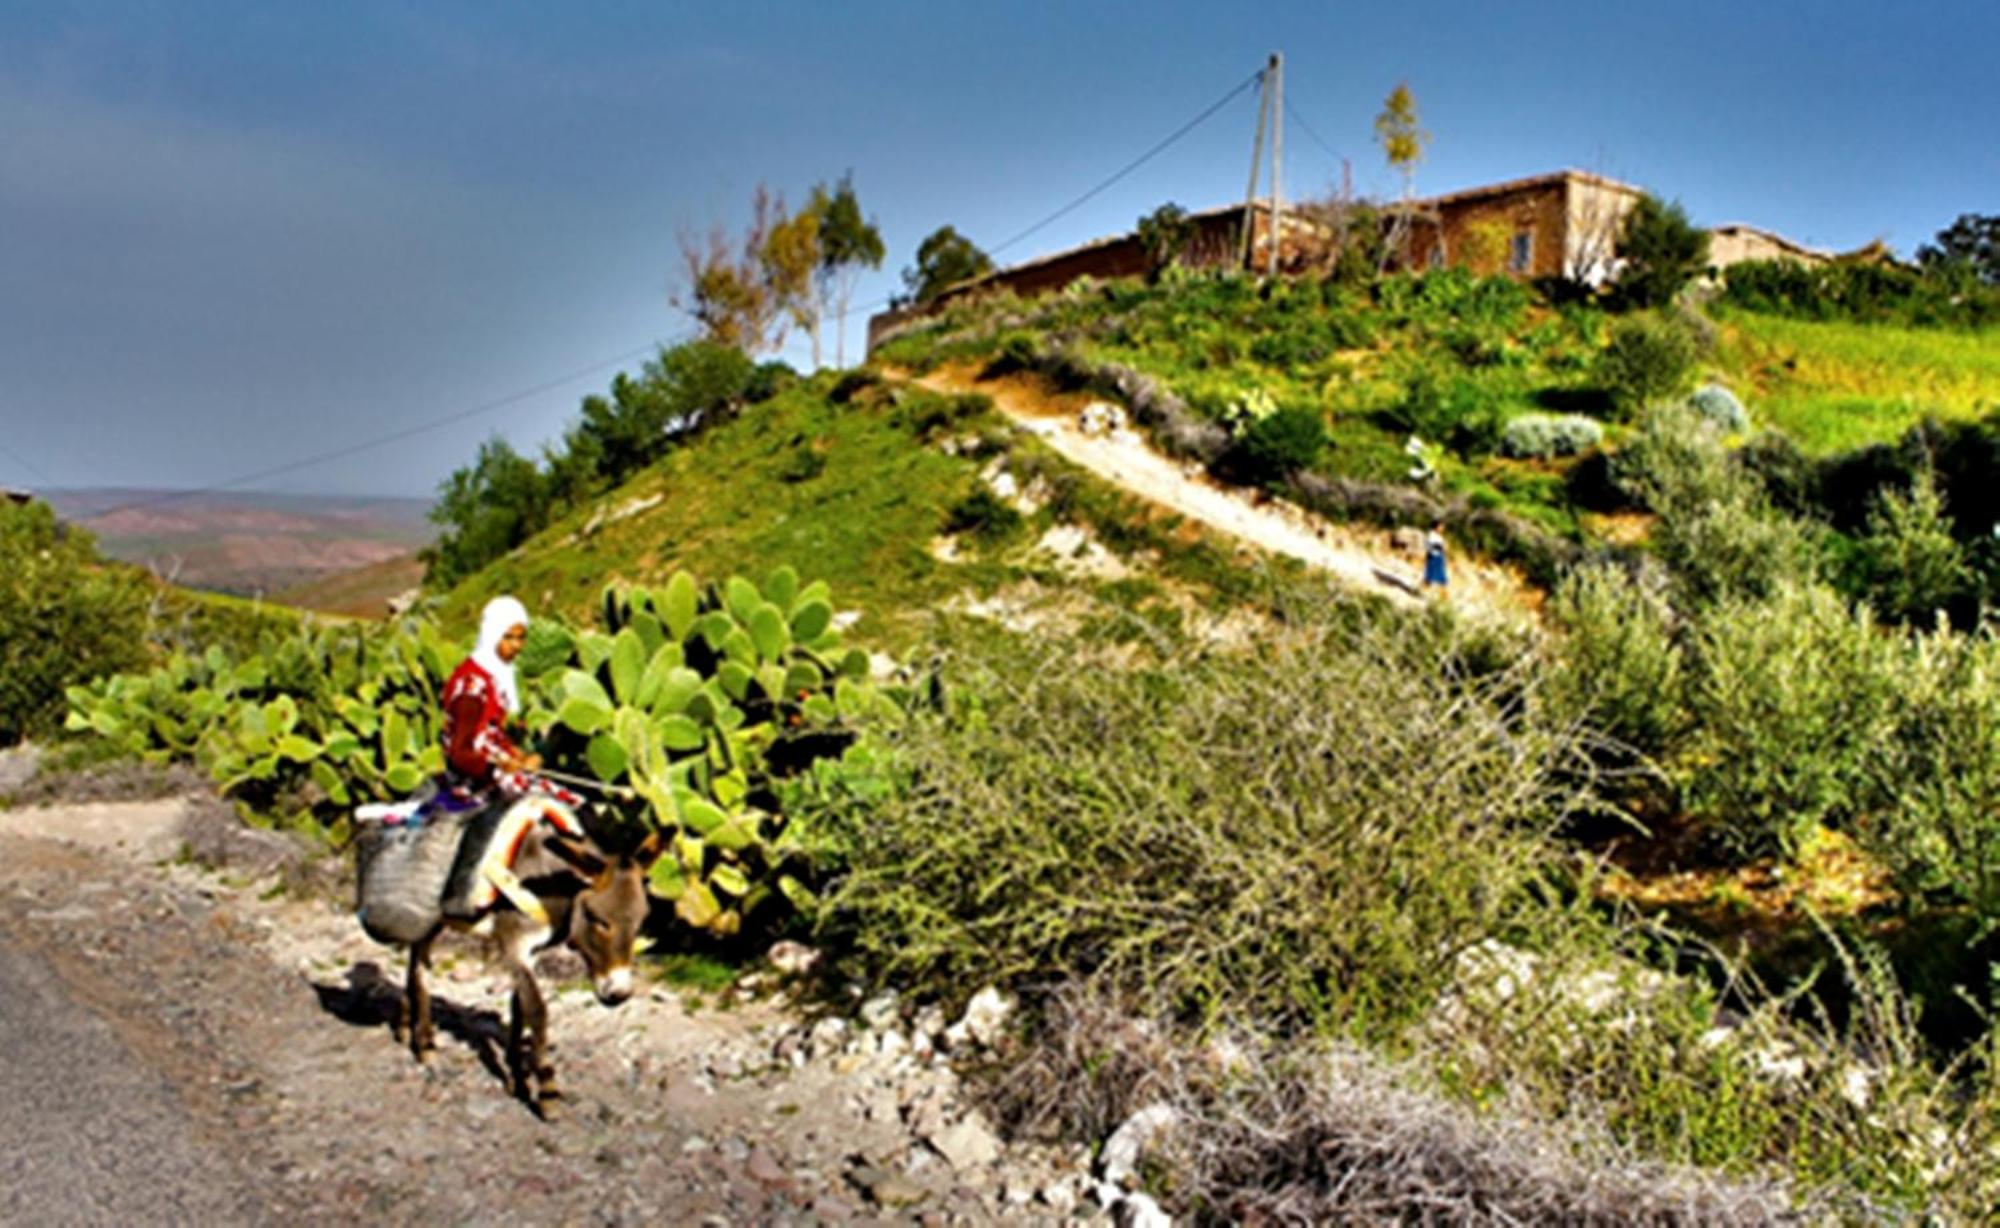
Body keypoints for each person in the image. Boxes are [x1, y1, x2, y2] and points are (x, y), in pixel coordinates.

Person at [437, 595, 542, 808]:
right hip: (477, 781)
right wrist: (500, 766)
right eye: (508, 637)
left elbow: (491, 733)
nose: (516, 646)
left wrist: (520, 757)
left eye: (521, 638)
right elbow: (460, 753)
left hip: (497, 772)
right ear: (492, 635)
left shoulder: (492, 677)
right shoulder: (471, 687)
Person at [1422, 520, 1449, 594]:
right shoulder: (1431, 535)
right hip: (1434, 558)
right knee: (1433, 578)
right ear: (1436, 527)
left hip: (1438, 557)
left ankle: (1444, 596)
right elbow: (1428, 546)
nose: (1443, 528)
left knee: (1438, 578)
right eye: (1441, 526)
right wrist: (1441, 547)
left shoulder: (1438, 536)